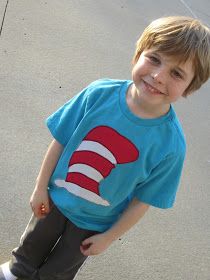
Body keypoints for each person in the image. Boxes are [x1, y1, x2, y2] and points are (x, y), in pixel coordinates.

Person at [1, 15, 210, 280]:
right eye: (154, 59)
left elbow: (143, 201)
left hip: (94, 224)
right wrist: (40, 187)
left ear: (190, 87)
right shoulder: (98, 94)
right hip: (55, 199)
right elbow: (61, 141)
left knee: (58, 272)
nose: (158, 76)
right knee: (28, 251)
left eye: (176, 73)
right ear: (138, 54)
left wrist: (109, 238)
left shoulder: (171, 145)